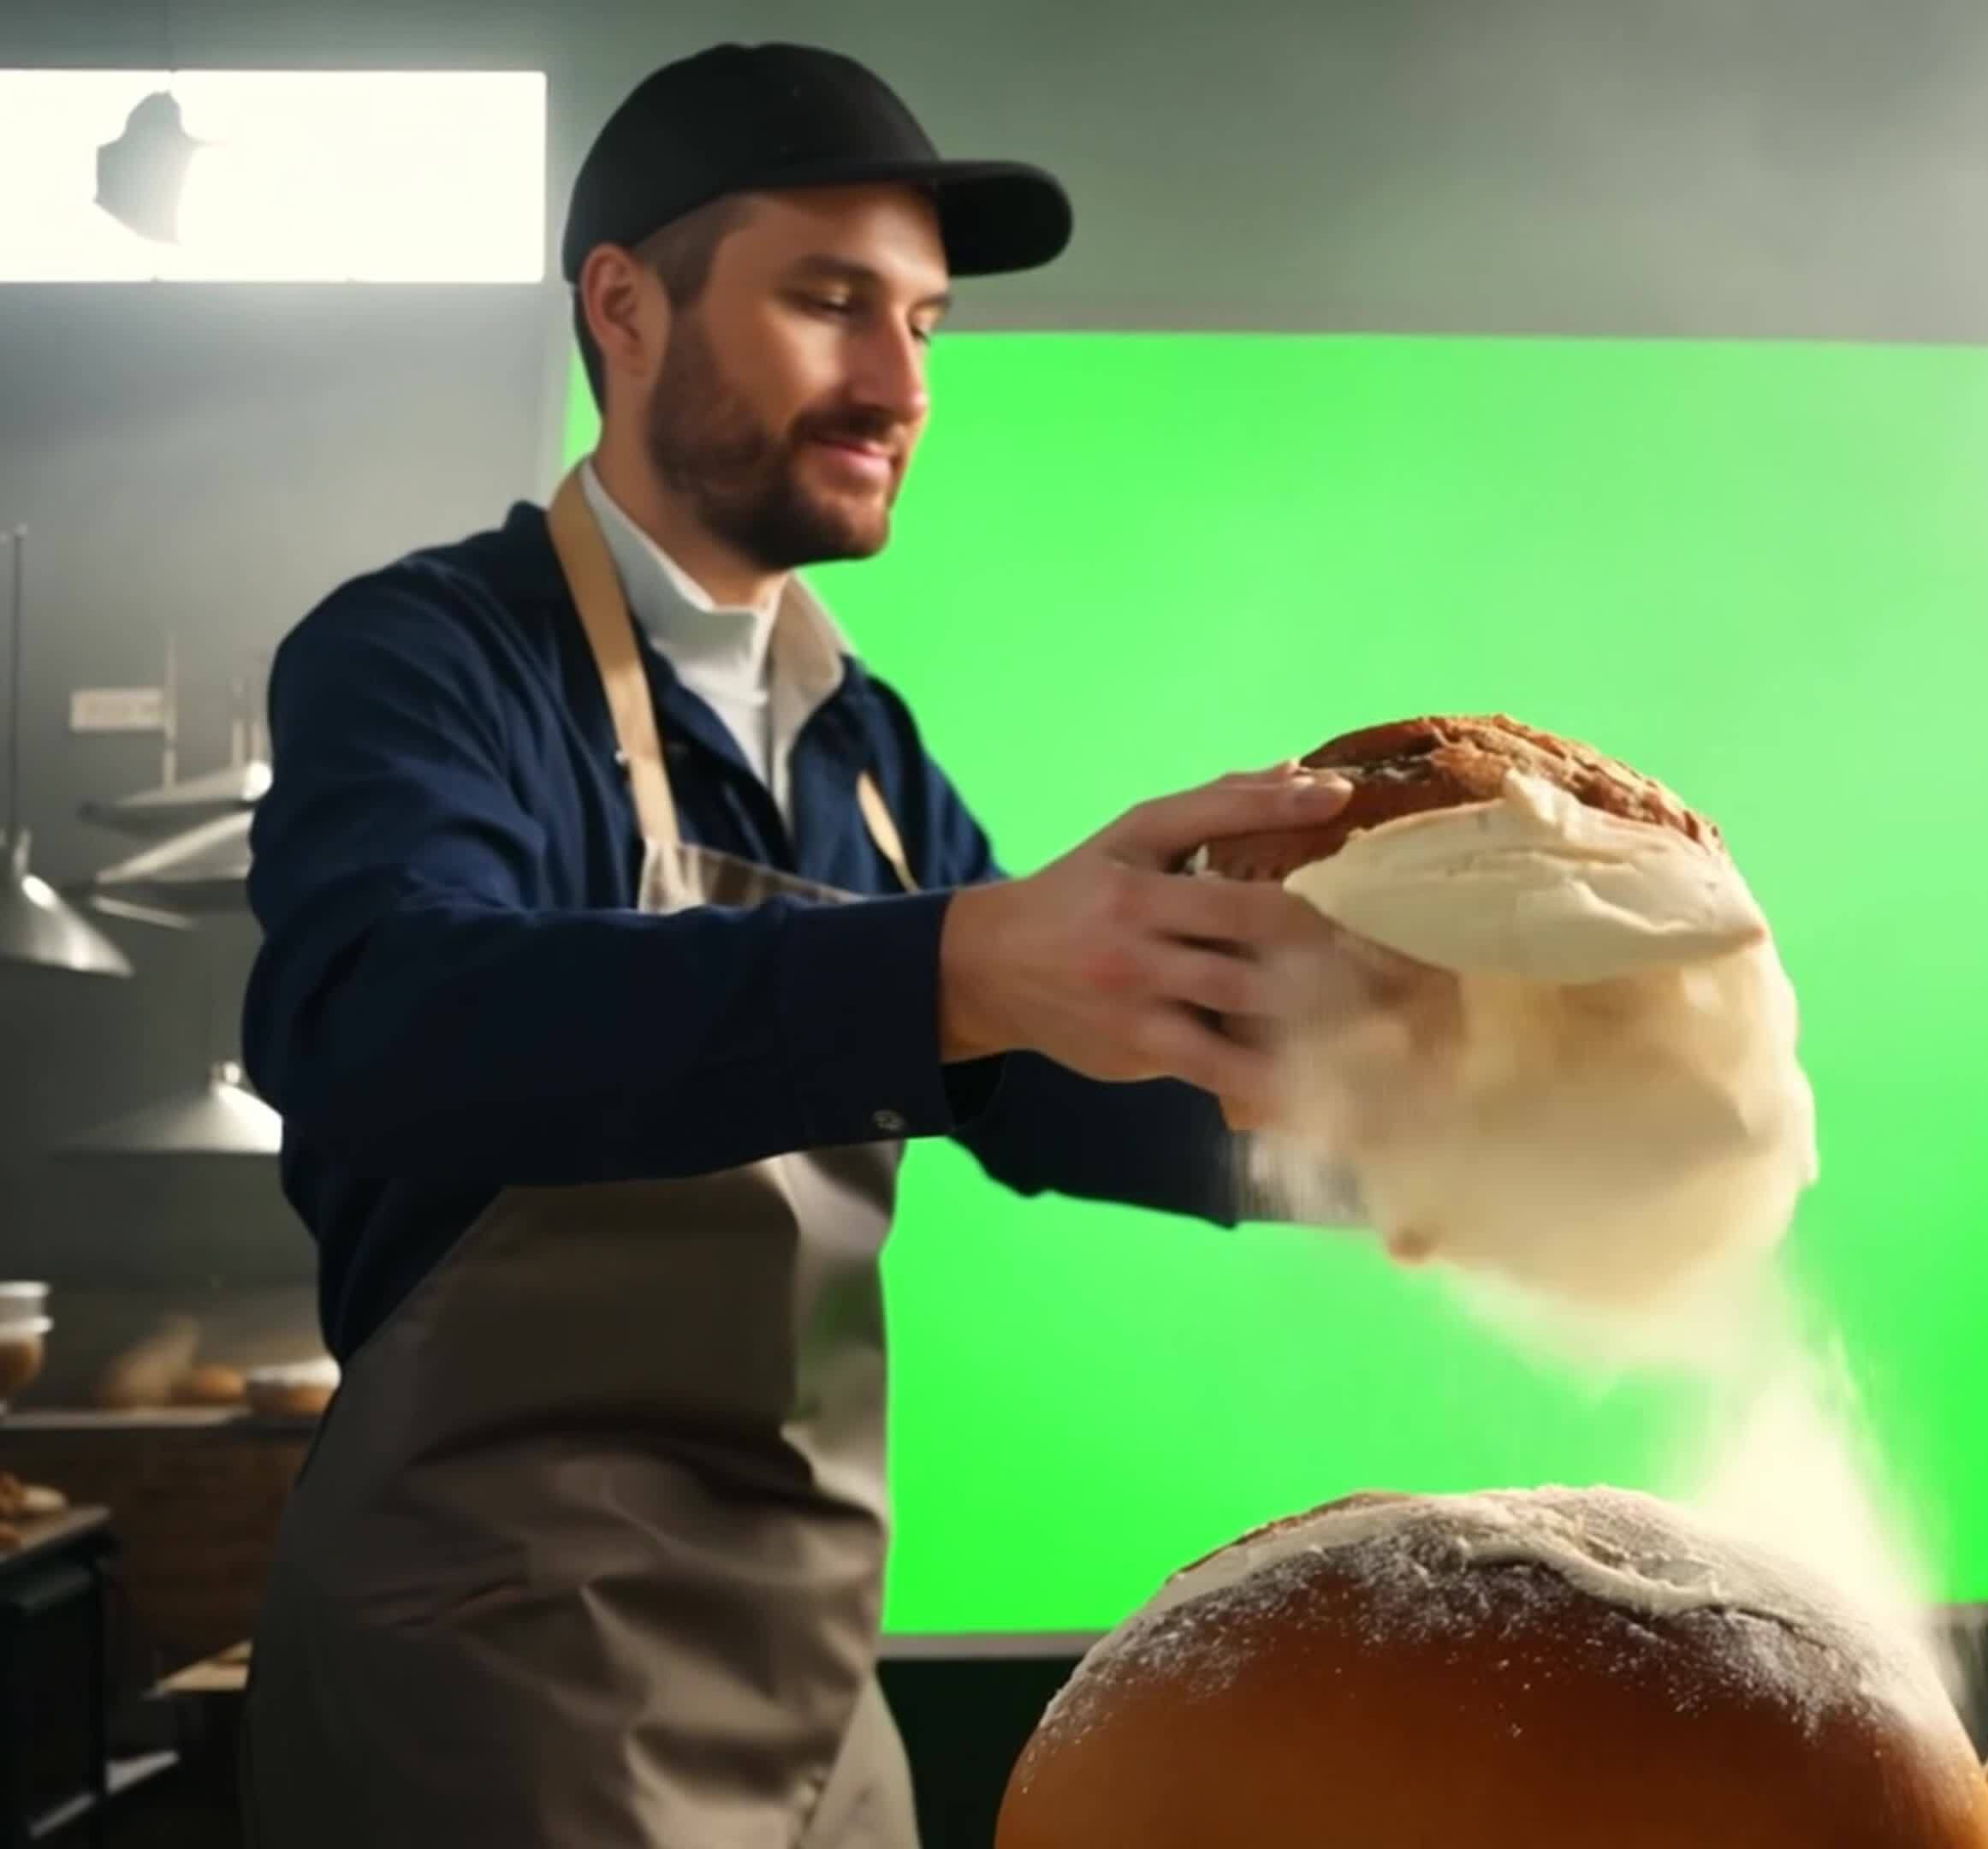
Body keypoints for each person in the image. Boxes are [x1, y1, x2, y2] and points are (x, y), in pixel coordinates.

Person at [234, 42, 1344, 1847]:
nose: (899, 378)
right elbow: (380, 1017)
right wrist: (960, 962)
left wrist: (1419, 1137)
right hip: (501, 1677)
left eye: (924, 322)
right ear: (626, 308)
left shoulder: (861, 740)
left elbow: (1048, 1090)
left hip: (819, 1698)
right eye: (831, 304)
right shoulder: (432, 659)